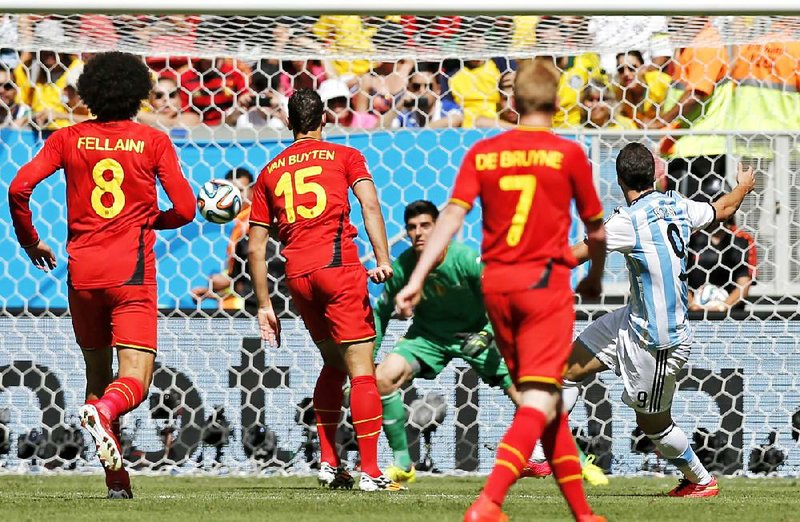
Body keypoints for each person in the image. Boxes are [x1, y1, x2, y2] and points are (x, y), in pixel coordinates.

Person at [395, 58, 607, 522]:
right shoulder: (568, 153)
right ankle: (488, 502)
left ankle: (583, 513)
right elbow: (597, 231)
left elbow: (450, 218)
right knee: (538, 398)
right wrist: (593, 277)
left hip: (498, 288)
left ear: (511, 101)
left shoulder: (483, 153)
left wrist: (415, 279)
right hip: (543, 286)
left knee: (545, 402)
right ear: (557, 103)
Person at [7, 52, 196, 498]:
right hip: (130, 274)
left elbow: (18, 187)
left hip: (82, 276)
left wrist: (31, 241)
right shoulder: (152, 141)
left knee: (97, 375)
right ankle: (105, 413)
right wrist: (152, 220)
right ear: (137, 93)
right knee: (134, 379)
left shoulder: (67, 138)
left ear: (90, 93)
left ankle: (116, 482)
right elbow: (186, 209)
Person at [563, 143, 755, 498]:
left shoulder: (626, 222)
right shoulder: (678, 205)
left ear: (619, 179)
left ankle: (700, 480)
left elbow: (572, 257)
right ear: (654, 176)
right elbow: (726, 207)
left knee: (653, 424)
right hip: (633, 318)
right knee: (561, 371)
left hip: (659, 341)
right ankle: (546, 453)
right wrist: (744, 184)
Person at [247, 88, 402, 492]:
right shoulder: (345, 156)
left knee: (334, 366)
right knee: (362, 370)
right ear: (324, 120)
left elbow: (256, 245)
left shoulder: (269, 172)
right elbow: (369, 205)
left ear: (287, 123)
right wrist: (383, 259)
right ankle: (371, 472)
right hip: (338, 267)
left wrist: (264, 304)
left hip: (298, 275)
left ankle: (330, 464)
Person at [374, 200, 518, 483]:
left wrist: (488, 334)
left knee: (526, 393)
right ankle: (403, 463)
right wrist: (367, 361)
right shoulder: (402, 267)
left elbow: (501, 302)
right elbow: (380, 312)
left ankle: (568, 458)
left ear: (439, 228)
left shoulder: (465, 259)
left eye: (426, 226)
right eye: (412, 228)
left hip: (475, 332)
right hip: (428, 336)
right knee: (382, 378)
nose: (418, 233)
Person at [687, 216, 756, 312]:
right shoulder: (690, 240)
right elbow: (680, 279)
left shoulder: (742, 240)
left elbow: (744, 285)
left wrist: (722, 307)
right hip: (694, 312)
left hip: (730, 314)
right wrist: (693, 305)